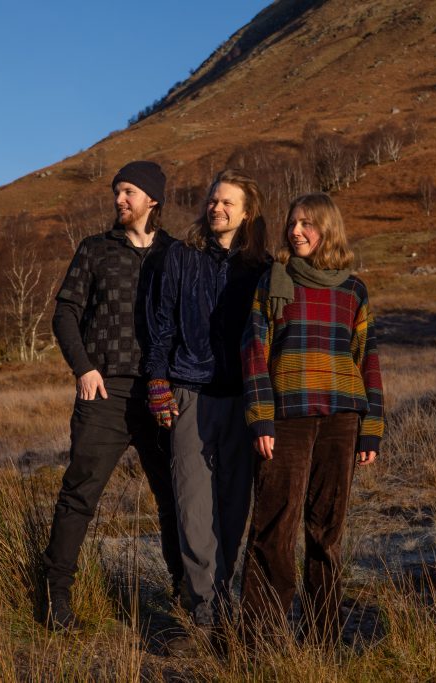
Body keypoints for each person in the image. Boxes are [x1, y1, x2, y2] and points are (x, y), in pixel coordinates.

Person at [42, 160, 183, 630]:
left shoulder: (175, 255)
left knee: (173, 498)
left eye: (127, 192)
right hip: (103, 393)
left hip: (159, 394)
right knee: (79, 495)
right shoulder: (94, 250)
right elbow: (65, 314)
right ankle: (55, 600)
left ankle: (187, 599)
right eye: (116, 192)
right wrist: (84, 368)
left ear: (151, 200)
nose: (119, 200)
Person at [240, 192, 384, 646]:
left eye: (307, 223)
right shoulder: (274, 280)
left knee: (326, 532)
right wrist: (261, 419)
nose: (295, 231)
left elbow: (369, 360)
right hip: (287, 420)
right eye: (292, 223)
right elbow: (254, 351)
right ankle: (258, 640)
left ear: (328, 229)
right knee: (273, 529)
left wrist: (372, 429)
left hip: (341, 421)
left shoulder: (353, 289)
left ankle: (323, 639)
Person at [145, 168, 270, 645]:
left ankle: (222, 597)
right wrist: (159, 381)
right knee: (194, 508)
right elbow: (161, 322)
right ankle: (204, 616)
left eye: (227, 203)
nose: (216, 208)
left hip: (243, 399)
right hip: (189, 395)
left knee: (234, 508)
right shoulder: (182, 256)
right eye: (213, 200)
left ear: (246, 212)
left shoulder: (262, 268)